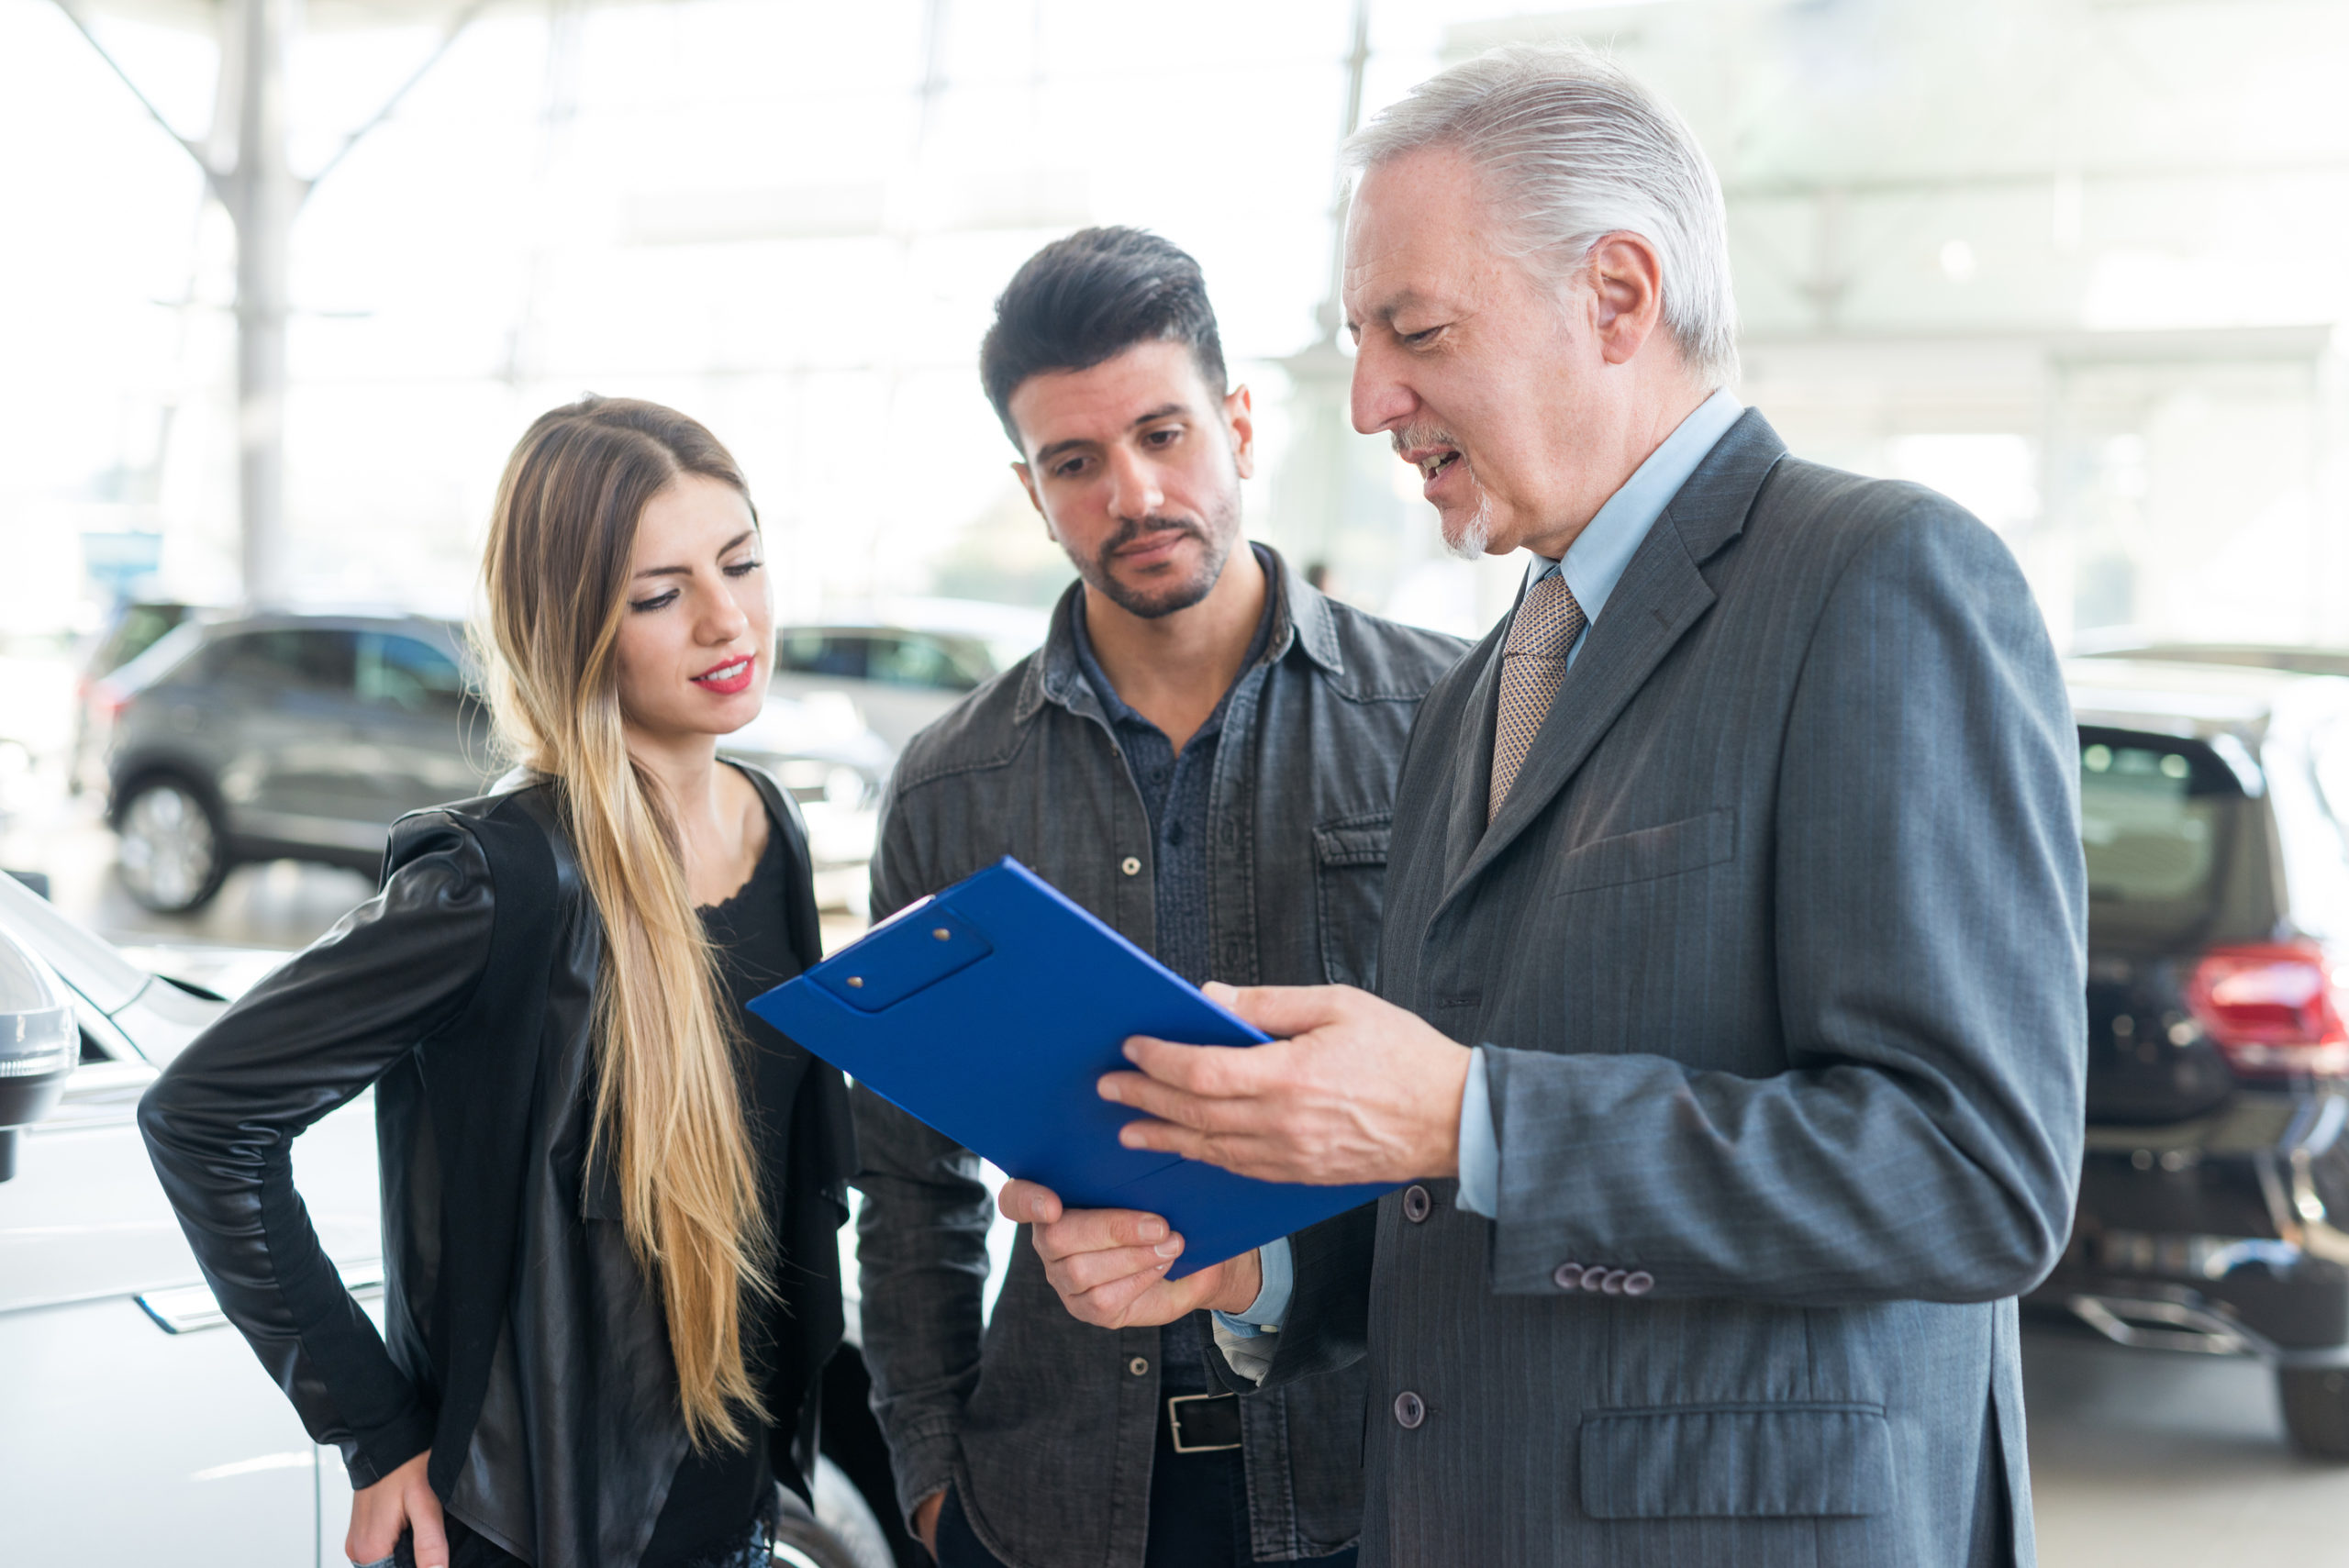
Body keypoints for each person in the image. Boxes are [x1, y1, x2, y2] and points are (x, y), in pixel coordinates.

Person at [1008, 46, 2087, 1568]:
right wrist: (1248, 1270)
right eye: (1360, 339)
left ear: (1620, 296)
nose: (1374, 397)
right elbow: (1455, 1196)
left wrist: (1468, 1110)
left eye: (1418, 330)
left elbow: (1971, 1172)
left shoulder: (1879, 579)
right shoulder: (1483, 684)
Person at [139, 397, 857, 1568]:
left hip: (734, 1513)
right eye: (659, 594)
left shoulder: (767, 825)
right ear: (574, 626)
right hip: (539, 1526)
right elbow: (202, 1114)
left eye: (741, 562)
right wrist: (373, 1427)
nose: (727, 618)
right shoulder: (499, 880)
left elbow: (777, 1163)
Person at [851, 227, 1465, 1568]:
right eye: (1076, 463)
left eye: (1163, 434)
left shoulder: (1444, 720)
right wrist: (935, 1479)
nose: (1132, 492)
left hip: (1374, 1480)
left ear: (1238, 424)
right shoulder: (953, 785)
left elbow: (1501, 1105)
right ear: (1032, 490)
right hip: (1054, 1503)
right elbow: (910, 1191)